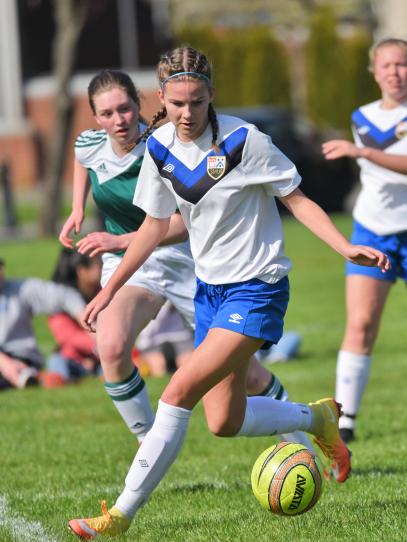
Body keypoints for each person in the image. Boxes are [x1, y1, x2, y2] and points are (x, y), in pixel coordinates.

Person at [67, 47, 389, 539]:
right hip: (209, 291)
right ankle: (317, 417)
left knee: (177, 391)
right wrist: (110, 289)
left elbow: (298, 201)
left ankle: (119, 517)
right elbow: (153, 228)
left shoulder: (245, 140)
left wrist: (346, 246)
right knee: (224, 420)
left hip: (257, 288)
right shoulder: (158, 150)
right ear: (162, 99)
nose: (187, 113)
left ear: (211, 95)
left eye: (197, 102)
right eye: (176, 104)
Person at [59, 69, 314, 448]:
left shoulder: (163, 145)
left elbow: (173, 224)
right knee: (111, 347)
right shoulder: (91, 143)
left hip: (188, 261)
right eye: (107, 114)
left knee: (247, 377)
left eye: (125, 109)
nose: (118, 120)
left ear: (141, 105)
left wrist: (120, 238)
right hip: (133, 266)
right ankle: (152, 447)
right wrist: (77, 208)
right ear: (95, 117)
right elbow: (84, 158)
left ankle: (303, 443)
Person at [322, 37, 407, 443]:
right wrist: (362, 153)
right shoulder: (362, 116)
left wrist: (362, 153)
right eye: (387, 65)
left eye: (403, 64)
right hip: (373, 231)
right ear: (374, 72)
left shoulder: (364, 138)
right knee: (360, 323)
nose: (395, 72)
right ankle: (345, 419)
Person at [0, 257, 85, 390]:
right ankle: (33, 378)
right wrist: (3, 362)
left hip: (21, 356)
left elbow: (65, 295)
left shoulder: (19, 289)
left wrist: (84, 317)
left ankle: (31, 376)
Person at [46, 249, 102, 382]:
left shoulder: (103, 293)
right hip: (74, 358)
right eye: (98, 265)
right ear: (82, 271)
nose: (102, 268)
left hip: (101, 357)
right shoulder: (59, 301)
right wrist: (98, 347)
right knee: (57, 362)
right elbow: (68, 337)